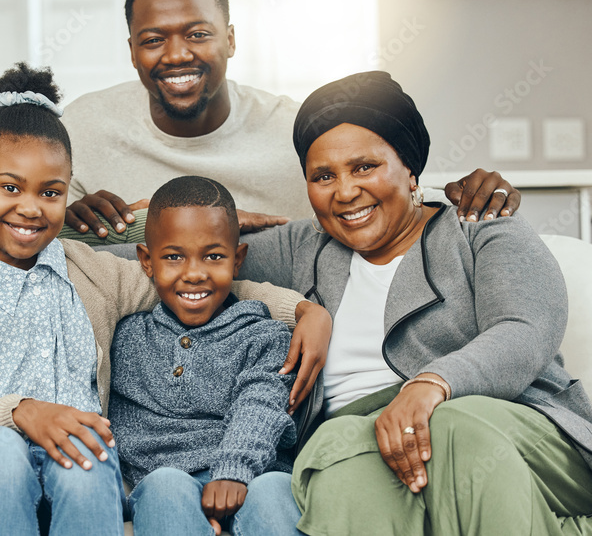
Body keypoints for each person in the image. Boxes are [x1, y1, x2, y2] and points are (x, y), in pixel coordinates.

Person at [0, 64, 330, 535]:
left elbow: (193, 284)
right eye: (9, 187)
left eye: (51, 192)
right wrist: (20, 413)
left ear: (69, 188)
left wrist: (301, 309)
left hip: (84, 468)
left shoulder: (94, 274)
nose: (30, 208)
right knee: (1, 448)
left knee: (89, 447)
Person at [238, 71, 592, 534]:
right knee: (338, 465)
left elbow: (526, 327)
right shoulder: (304, 246)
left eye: (364, 166)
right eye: (323, 176)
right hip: (360, 443)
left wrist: (431, 386)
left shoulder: (481, 224)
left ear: (410, 169)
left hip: (516, 426)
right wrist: (142, 220)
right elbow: (161, 257)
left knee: (452, 429)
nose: (344, 191)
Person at [61, 0, 520, 238]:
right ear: (132, 52)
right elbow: (25, 238)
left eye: (198, 35)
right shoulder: (86, 124)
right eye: (153, 39)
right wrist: (70, 222)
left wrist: (470, 194)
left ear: (231, 41)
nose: (177, 54)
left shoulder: (293, 128)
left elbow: (386, 192)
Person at [110, 175, 322, 536]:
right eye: (174, 257)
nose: (195, 274)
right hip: (163, 480)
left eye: (213, 256)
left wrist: (232, 472)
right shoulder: (128, 338)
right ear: (147, 261)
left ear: (237, 260)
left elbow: (260, 405)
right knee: (164, 485)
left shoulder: (264, 335)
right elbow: (128, 428)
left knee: (273, 490)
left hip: (250, 472)